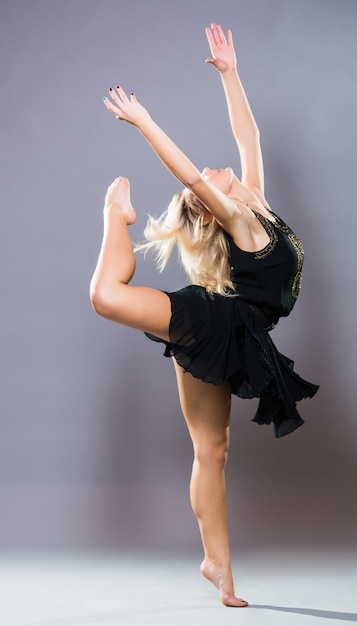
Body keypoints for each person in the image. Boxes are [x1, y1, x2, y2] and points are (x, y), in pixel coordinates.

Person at [91, 23, 318, 608]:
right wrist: (144, 122)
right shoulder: (240, 220)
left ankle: (218, 565)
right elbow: (191, 175)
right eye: (212, 183)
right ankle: (116, 219)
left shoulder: (257, 203)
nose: (219, 170)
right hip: (215, 319)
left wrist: (230, 74)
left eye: (221, 176)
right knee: (107, 296)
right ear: (217, 208)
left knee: (212, 452)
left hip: (240, 334)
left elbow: (250, 141)